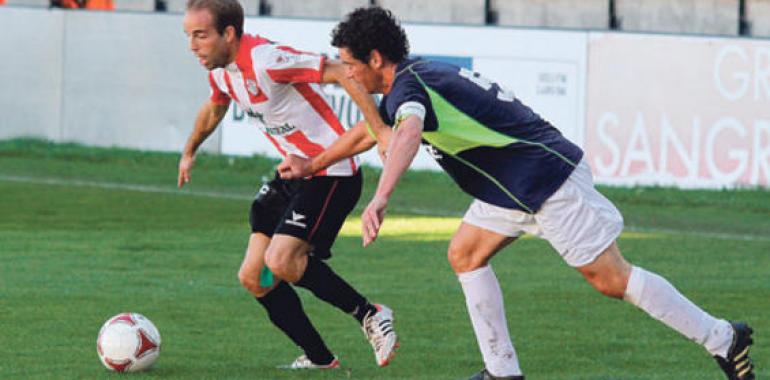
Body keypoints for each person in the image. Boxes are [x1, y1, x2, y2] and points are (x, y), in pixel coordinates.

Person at [277, 6, 755, 380]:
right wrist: (313, 164)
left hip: (544, 179)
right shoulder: (414, 79)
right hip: (511, 188)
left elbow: (404, 134)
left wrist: (380, 197)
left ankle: (721, 337)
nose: (348, 73)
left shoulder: (409, 92)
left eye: (349, 64)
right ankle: (502, 369)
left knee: (611, 279)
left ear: (375, 59)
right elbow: (373, 132)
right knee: (465, 253)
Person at [178, 0, 397, 369]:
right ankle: (320, 359)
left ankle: (370, 313)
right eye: (189, 36)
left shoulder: (267, 60)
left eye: (200, 35)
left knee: (282, 260)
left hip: (333, 174)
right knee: (254, 277)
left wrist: (379, 130)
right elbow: (215, 107)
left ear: (229, 34)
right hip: (293, 175)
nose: (192, 46)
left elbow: (342, 71)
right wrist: (189, 150)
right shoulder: (220, 72)